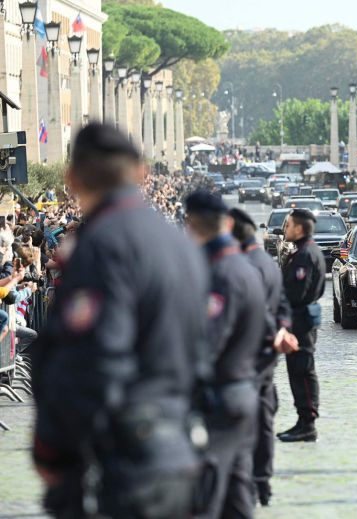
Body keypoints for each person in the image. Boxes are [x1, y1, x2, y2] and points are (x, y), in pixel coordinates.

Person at [31, 124, 209, 518]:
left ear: (72, 178)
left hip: (119, 463)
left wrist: (51, 449)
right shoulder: (181, 246)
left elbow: (90, 363)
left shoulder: (101, 246)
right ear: (141, 171)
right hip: (179, 453)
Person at [185, 191, 267, 518]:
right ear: (228, 223)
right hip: (242, 391)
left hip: (220, 398)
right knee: (235, 500)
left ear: (191, 225)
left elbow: (207, 345)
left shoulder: (221, 275)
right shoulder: (246, 267)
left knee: (205, 499)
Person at [228, 207, 298, 507]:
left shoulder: (242, 266)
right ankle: (262, 480)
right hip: (267, 353)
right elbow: (282, 303)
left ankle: (251, 482)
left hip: (248, 354)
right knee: (265, 419)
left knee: (247, 422)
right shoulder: (268, 264)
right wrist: (282, 330)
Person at [277, 209, 326, 443]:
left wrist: (283, 319)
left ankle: (307, 423)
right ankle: (303, 420)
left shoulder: (305, 254)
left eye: (288, 225)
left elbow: (296, 292)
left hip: (300, 321)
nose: (285, 229)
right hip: (301, 318)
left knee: (302, 371)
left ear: (298, 228)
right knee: (298, 370)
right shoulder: (307, 251)